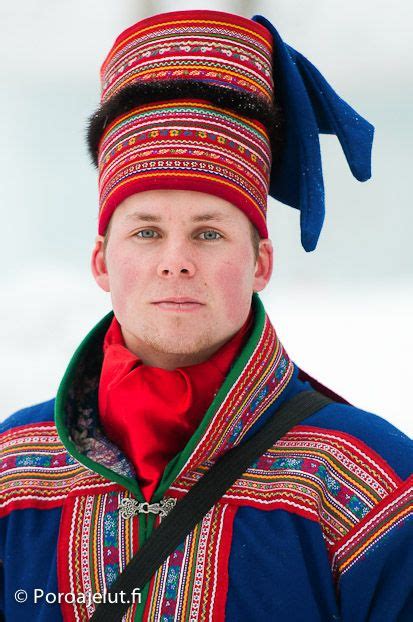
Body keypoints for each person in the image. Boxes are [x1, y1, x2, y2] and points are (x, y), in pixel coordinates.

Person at [0, 9, 412, 622]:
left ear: (261, 262)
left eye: (209, 234)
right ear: (102, 262)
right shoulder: (14, 474)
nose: (176, 262)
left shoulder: (373, 488)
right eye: (145, 232)